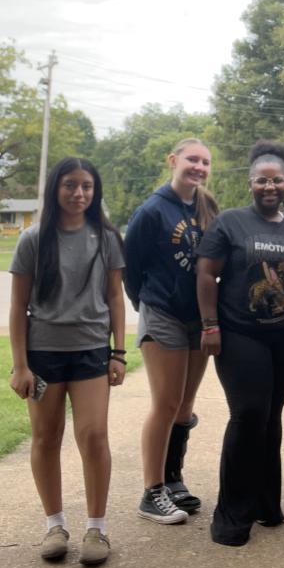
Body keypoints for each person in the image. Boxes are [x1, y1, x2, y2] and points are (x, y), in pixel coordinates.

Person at [8, 157, 127, 565]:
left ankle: (97, 529)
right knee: (46, 438)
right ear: (55, 188)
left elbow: (115, 297)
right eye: (70, 185)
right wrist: (20, 365)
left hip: (91, 351)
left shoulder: (106, 238)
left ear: (95, 191)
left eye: (87, 186)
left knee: (93, 436)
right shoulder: (33, 239)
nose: (79, 193)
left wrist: (118, 352)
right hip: (43, 354)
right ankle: (55, 526)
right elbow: (18, 306)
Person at [196, 141, 284, 546]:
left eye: (276, 180)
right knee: (248, 414)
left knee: (271, 415)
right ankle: (231, 515)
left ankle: (265, 503)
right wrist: (210, 325)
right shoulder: (230, 223)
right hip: (240, 333)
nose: (269, 186)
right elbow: (206, 274)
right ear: (250, 183)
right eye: (262, 180)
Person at [123, 138, 219, 525]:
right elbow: (130, 268)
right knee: (165, 403)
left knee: (183, 406)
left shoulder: (206, 206)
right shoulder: (152, 210)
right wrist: (147, 303)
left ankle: (173, 480)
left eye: (205, 162)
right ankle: (152, 492)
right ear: (173, 161)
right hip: (163, 313)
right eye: (192, 159)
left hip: (198, 316)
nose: (198, 167)